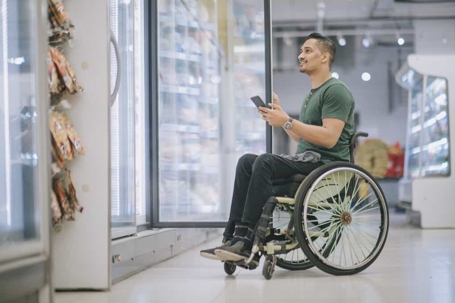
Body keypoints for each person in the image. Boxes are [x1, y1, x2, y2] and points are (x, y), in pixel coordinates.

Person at [200, 32, 355, 262]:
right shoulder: (312, 95)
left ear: (325, 57)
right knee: (246, 162)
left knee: (264, 161)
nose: (300, 55)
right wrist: (282, 120)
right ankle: (232, 237)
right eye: (301, 50)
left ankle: (245, 241)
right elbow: (301, 139)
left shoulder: (336, 91)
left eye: (307, 50)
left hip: (324, 167)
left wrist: (287, 121)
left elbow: (330, 139)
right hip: (308, 161)